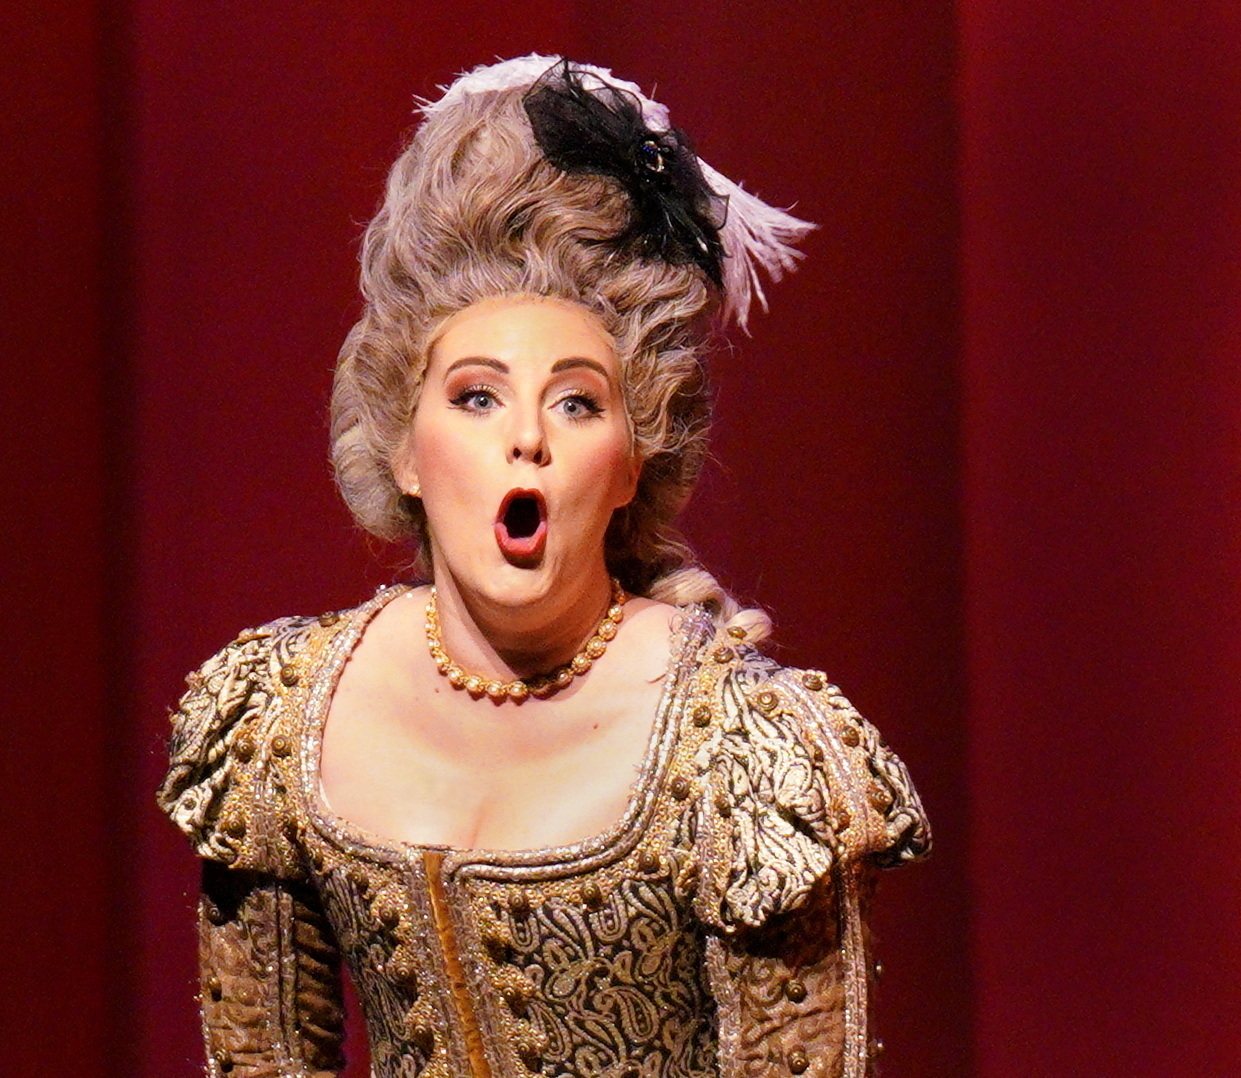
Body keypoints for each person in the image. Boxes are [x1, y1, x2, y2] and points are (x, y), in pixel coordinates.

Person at [157, 55, 929, 1078]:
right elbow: (260, 1058)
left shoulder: (740, 752)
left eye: (576, 402)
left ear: (630, 465)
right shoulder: (284, 716)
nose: (527, 437)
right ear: (404, 446)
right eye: (476, 397)